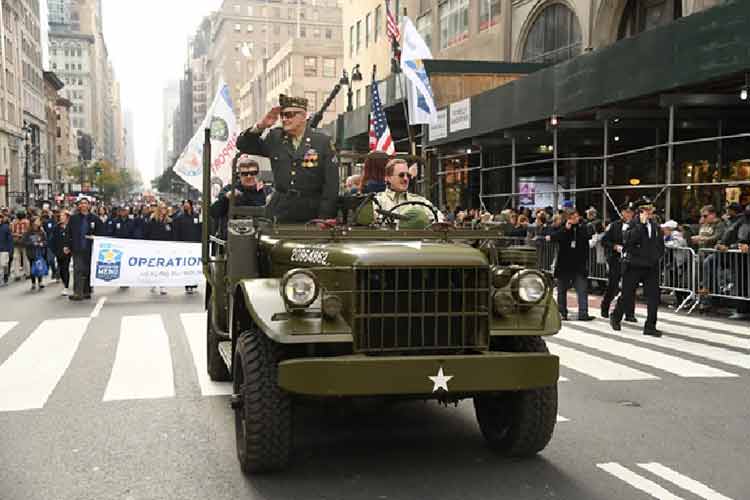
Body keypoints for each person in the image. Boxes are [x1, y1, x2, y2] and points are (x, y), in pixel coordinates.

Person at [236, 94, 340, 223]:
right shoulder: (276, 137)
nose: (285, 119)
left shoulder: (321, 141)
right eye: (283, 115)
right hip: (280, 209)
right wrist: (261, 125)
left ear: (303, 116)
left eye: (290, 115)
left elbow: (331, 184)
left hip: (312, 210)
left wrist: (324, 217)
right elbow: (243, 145)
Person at [610, 198, 665, 337]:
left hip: (651, 265)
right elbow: (628, 240)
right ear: (639, 211)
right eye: (645, 210)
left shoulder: (656, 225)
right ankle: (616, 316)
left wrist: (658, 255)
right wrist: (641, 225)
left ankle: (650, 326)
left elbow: (659, 244)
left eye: (650, 209)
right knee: (627, 294)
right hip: (634, 264)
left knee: (653, 296)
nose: (649, 212)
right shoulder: (632, 224)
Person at [548, 208, 593, 321]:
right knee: (561, 290)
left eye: (577, 217)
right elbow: (552, 237)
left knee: (582, 289)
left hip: (579, 264)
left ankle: (583, 313)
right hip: (564, 264)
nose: (575, 219)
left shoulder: (582, 227)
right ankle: (562, 312)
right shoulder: (562, 227)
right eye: (572, 217)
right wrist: (566, 229)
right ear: (568, 218)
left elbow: (587, 237)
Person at [373, 158, 444, 226]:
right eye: (401, 175)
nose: (406, 179)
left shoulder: (420, 201)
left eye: (408, 175)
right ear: (388, 178)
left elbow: (440, 220)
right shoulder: (377, 202)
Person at [600, 203, 637, 320]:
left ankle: (629, 313)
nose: (629, 214)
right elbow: (604, 241)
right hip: (616, 259)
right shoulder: (615, 225)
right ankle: (605, 307)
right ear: (622, 212)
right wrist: (614, 246)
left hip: (630, 259)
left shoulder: (637, 226)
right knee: (613, 284)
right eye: (626, 211)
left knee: (630, 286)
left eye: (631, 212)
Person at [64, 197, 103, 301]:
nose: (84, 205)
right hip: (77, 248)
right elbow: (68, 232)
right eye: (82, 203)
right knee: (78, 269)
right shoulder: (74, 218)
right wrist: (67, 245)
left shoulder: (95, 218)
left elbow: (102, 232)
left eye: (86, 203)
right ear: (79, 206)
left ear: (89, 205)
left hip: (90, 249)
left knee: (88, 270)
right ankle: (77, 292)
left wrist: (94, 237)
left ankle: (87, 291)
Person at [210, 155, 267, 222]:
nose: (249, 176)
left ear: (258, 174)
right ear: (239, 175)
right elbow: (214, 213)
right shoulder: (229, 189)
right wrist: (227, 198)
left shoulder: (266, 191)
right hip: (234, 230)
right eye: (244, 173)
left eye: (253, 173)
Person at [145, 203, 174, 295]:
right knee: (155, 265)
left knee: (164, 266)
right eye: (162, 208)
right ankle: (153, 283)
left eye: (165, 208)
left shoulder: (169, 221)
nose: (164, 209)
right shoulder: (153, 220)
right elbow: (148, 232)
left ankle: (163, 286)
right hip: (154, 246)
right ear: (158, 209)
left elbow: (172, 234)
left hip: (166, 246)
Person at [174, 199, 202, 295]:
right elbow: (176, 232)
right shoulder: (179, 217)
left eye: (187, 204)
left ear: (191, 205)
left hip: (196, 244)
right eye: (184, 205)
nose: (186, 206)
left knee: (194, 265)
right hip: (184, 245)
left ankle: (193, 283)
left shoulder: (197, 216)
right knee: (187, 266)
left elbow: (201, 228)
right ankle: (188, 285)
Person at [24, 217, 48, 291]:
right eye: (37, 220)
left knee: (39, 266)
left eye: (39, 220)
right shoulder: (28, 232)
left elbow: (45, 241)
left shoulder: (41, 231)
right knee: (32, 267)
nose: (39, 222)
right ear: (33, 222)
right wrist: (32, 243)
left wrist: (42, 244)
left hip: (39, 252)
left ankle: (40, 282)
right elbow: (24, 242)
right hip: (31, 252)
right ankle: (33, 283)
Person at [53, 211, 72, 296]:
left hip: (68, 250)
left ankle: (66, 287)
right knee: (60, 269)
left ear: (67, 217)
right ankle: (64, 282)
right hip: (58, 250)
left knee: (65, 268)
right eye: (60, 216)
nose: (61, 217)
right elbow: (53, 238)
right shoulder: (57, 227)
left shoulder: (71, 226)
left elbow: (73, 237)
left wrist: (69, 247)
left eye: (63, 216)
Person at [10, 210, 30, 281]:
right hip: (25, 242)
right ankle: (27, 273)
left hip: (16, 242)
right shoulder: (27, 222)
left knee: (16, 259)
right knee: (26, 258)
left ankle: (17, 275)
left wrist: (17, 235)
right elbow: (28, 232)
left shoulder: (13, 223)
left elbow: (11, 232)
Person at [0, 212, 12, 286]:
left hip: (4, 249)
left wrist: (10, 250)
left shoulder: (6, 227)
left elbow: (9, 239)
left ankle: (5, 275)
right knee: (1, 265)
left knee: (4, 265)